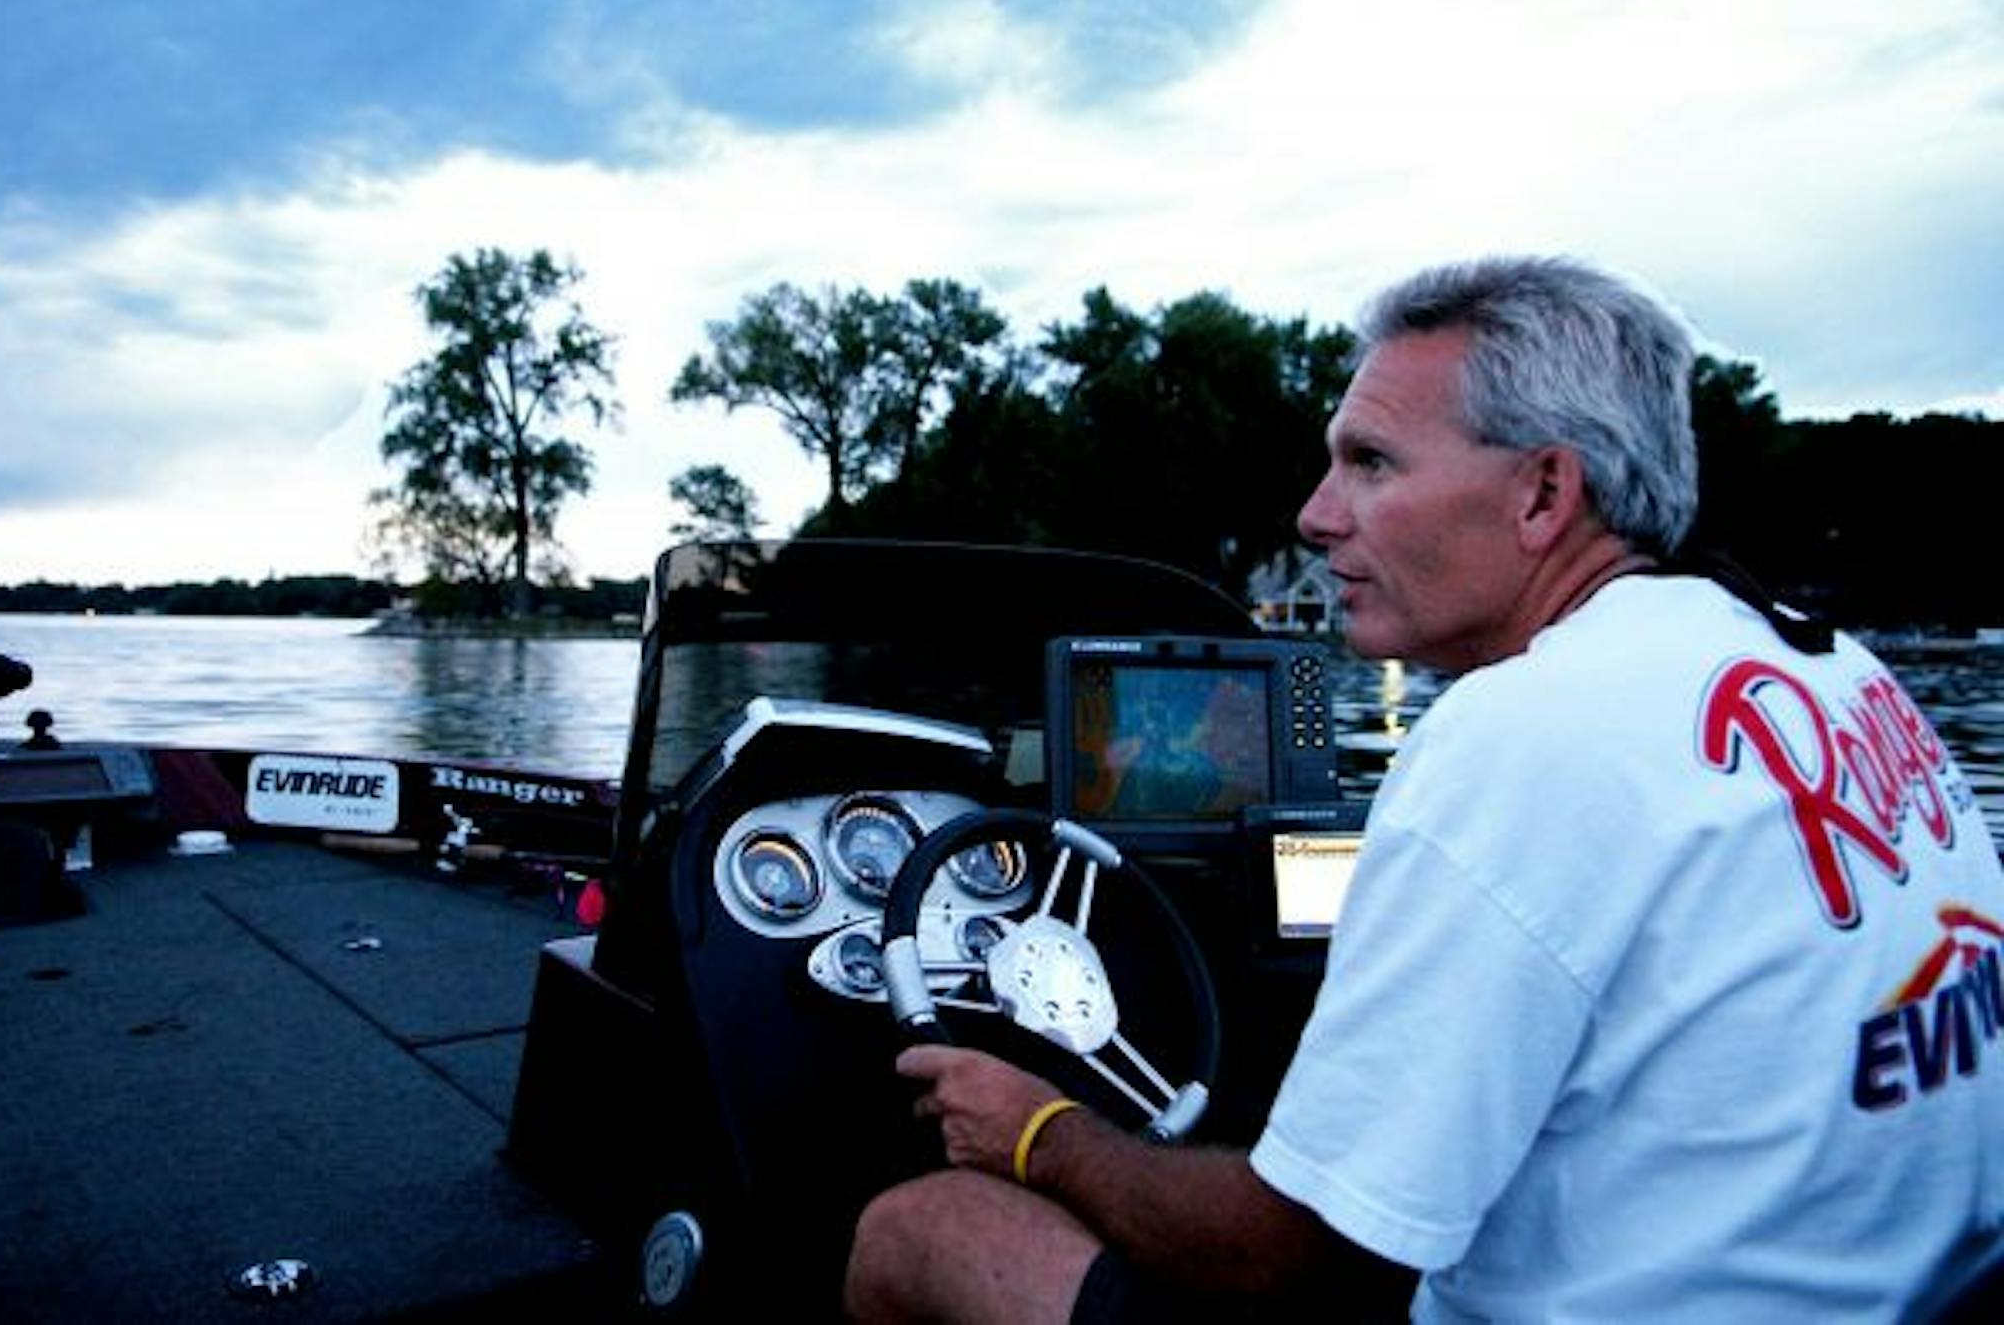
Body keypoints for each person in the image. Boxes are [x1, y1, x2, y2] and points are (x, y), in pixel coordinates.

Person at [844, 256, 2004, 1322]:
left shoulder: (1526, 733)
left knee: (922, 1229)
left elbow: (1289, 1256)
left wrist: (1041, 1134)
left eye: (1372, 462)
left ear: (1545, 494)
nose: (1316, 513)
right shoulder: (1826, 665)